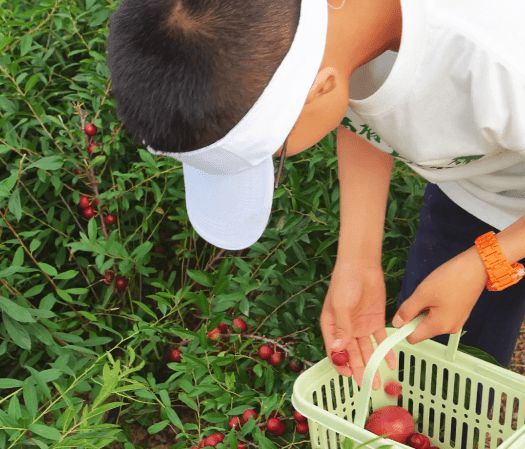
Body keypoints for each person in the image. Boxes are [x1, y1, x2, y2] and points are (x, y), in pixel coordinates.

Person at [106, 0, 525, 391]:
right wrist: (357, 260)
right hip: (475, 189)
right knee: (443, 378)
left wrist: (486, 261)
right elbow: (367, 103)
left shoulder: (500, 58)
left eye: (274, 152)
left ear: (319, 87)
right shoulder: (322, 27)